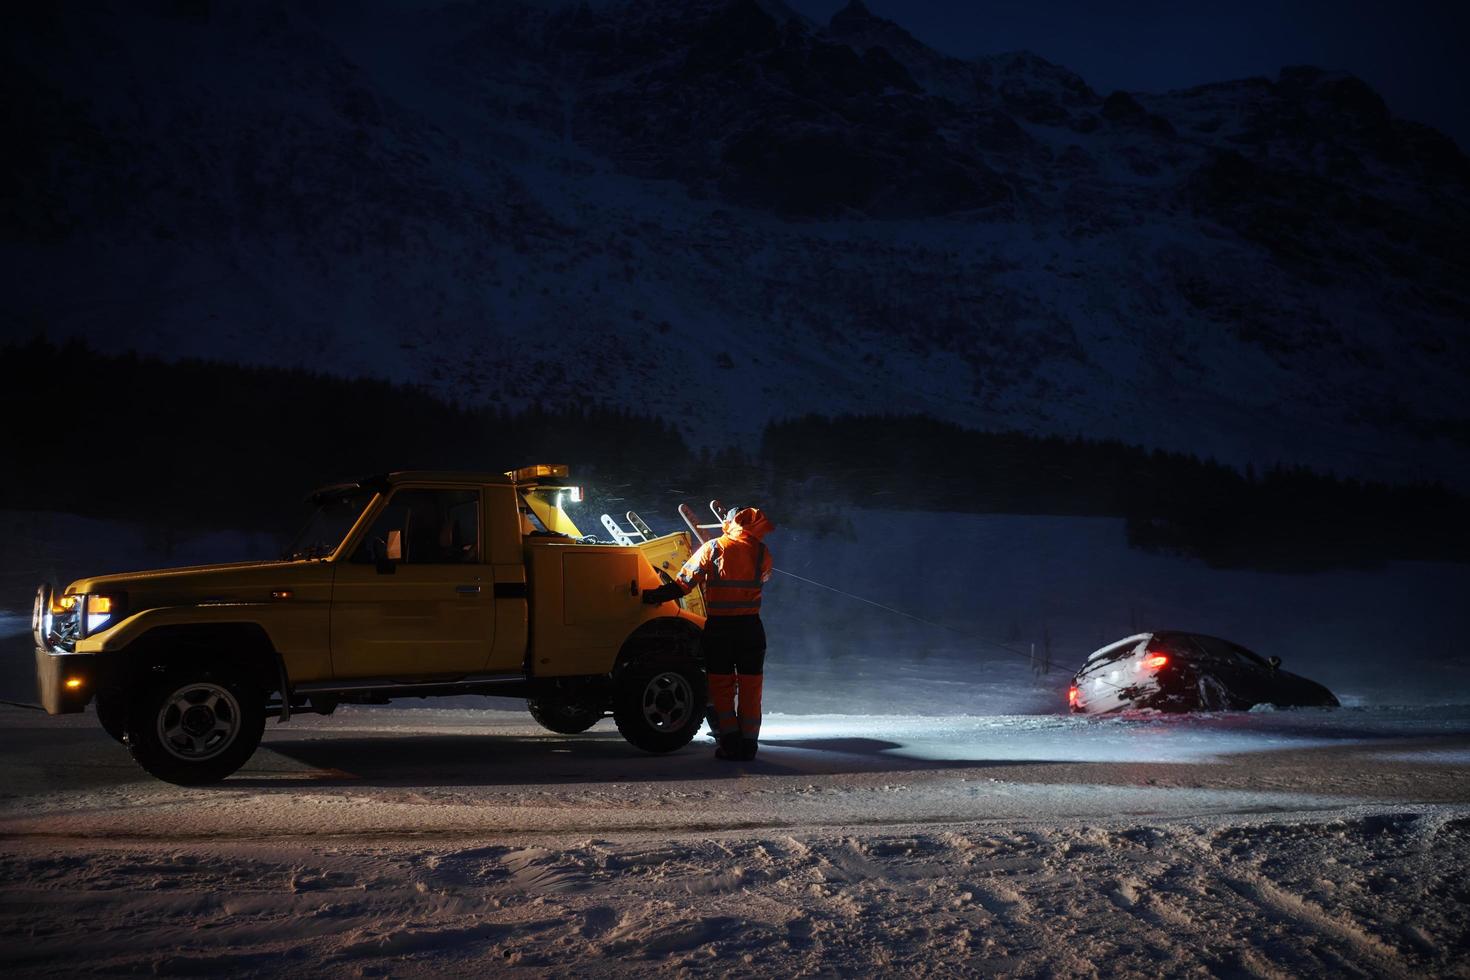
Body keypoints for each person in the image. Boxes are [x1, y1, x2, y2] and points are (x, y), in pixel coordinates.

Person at [642, 506, 775, 761]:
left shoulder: (713, 548)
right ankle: (749, 744)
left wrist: (653, 596)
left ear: (728, 523)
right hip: (751, 630)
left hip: (720, 630)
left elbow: (683, 584)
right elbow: (763, 577)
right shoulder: (761, 551)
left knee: (721, 687)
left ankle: (731, 742)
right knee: (751, 688)